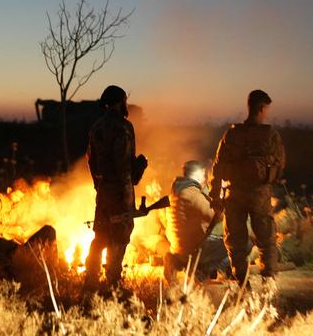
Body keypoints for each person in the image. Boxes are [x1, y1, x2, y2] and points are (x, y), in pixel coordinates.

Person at [210, 90, 286, 286]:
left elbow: (217, 167)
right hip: (259, 194)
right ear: (261, 108)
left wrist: (215, 196)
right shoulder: (270, 135)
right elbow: (280, 164)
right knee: (266, 240)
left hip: (234, 193)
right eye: (267, 109)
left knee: (235, 241)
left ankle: (241, 282)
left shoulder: (232, 134)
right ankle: (268, 283)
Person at [85, 85, 148, 288]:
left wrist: (98, 185)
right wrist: (138, 169)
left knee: (100, 235)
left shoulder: (96, 127)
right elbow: (123, 164)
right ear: (121, 102)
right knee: (119, 237)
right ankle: (113, 283)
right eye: (124, 101)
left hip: (103, 191)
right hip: (121, 191)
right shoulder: (124, 127)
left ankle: (91, 279)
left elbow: (91, 160)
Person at [163, 160, 231, 284]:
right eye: (203, 175)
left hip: (178, 248)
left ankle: (186, 264)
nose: (205, 178)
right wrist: (223, 199)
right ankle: (204, 269)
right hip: (192, 250)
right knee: (233, 245)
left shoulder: (176, 193)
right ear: (197, 175)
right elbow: (215, 215)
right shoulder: (191, 193)